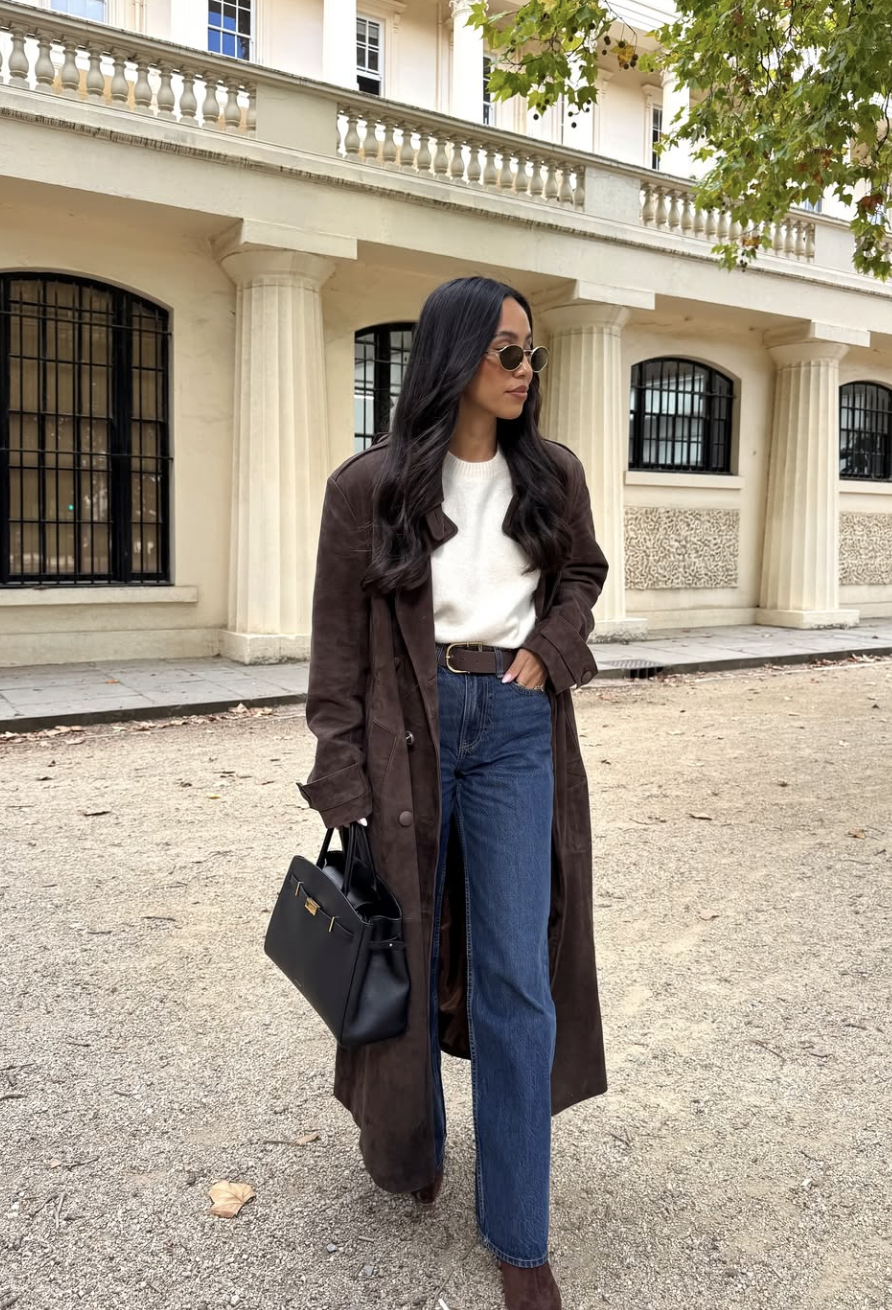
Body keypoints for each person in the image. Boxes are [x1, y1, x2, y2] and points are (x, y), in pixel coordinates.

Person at [296, 276, 609, 1310]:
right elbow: (337, 645)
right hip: (406, 729)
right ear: (455, 355)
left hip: (517, 727)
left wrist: (547, 653)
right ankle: (414, 1139)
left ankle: (519, 1229)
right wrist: (338, 775)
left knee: (517, 974)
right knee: (411, 945)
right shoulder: (371, 486)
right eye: (507, 353)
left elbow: (580, 576)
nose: (525, 371)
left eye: (532, 355)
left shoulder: (551, 471)